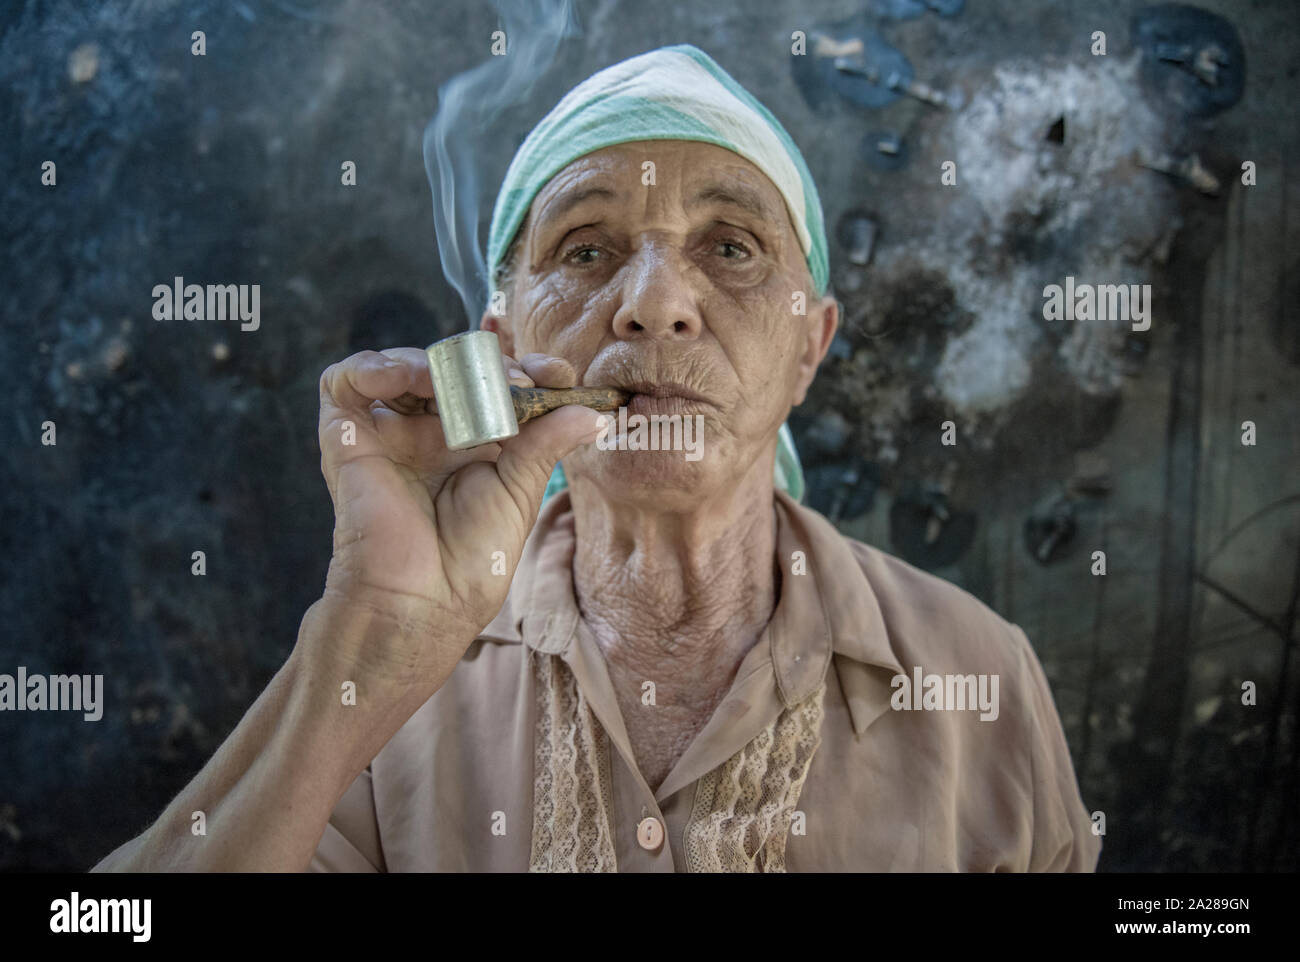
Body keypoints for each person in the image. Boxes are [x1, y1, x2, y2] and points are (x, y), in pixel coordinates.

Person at [92, 44, 1099, 872]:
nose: (654, 301)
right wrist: (362, 641)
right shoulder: (391, 689)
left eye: (731, 247)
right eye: (584, 250)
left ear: (809, 345)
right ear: (502, 339)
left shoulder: (980, 676)